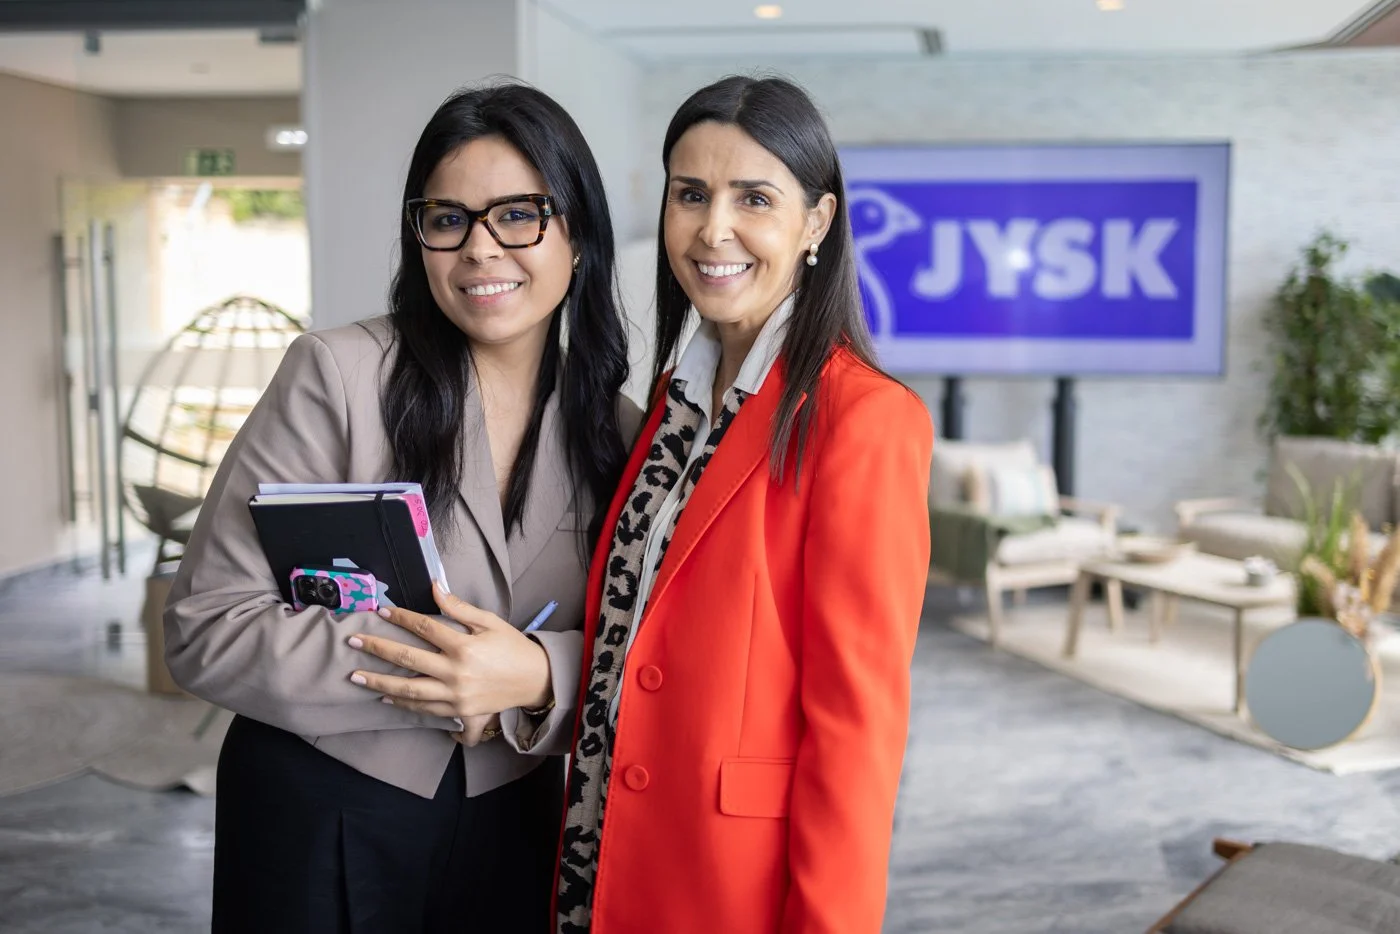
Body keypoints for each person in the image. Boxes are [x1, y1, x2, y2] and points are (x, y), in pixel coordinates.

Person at [164, 81, 636, 934]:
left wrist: (537, 673)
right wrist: (438, 672)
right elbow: (208, 626)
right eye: (448, 219)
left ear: (579, 233)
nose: (481, 250)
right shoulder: (338, 375)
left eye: (518, 214)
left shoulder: (618, 429)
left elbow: (640, 646)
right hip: (323, 814)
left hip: (518, 818)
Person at [552, 75, 934, 934]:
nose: (712, 229)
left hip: (730, 885)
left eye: (753, 198)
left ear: (817, 224)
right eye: (691, 194)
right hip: (606, 849)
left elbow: (857, 729)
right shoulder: (671, 401)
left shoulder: (862, 418)